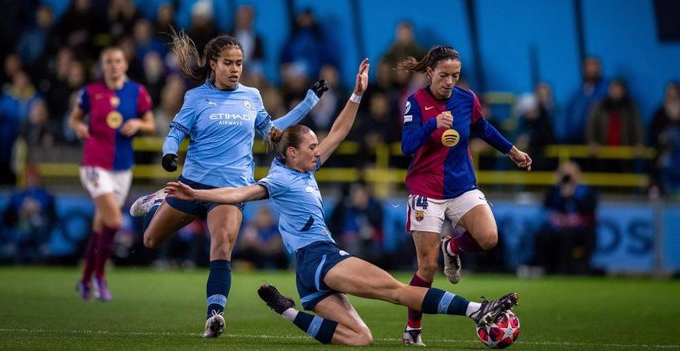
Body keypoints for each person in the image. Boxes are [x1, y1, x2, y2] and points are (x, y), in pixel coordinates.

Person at [165, 59, 518, 346]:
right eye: (311, 146)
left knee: (360, 338)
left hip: (307, 278)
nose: (318, 150)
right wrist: (198, 194)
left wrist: (356, 95)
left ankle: (287, 311)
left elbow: (339, 132)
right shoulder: (280, 179)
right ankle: (477, 309)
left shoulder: (303, 168)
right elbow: (239, 193)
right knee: (397, 291)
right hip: (320, 257)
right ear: (291, 152)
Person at [129, 32, 327, 338]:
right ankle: (160, 199)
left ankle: (214, 315)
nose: (235, 69)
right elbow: (176, 131)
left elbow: (276, 132)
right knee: (151, 241)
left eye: (239, 63)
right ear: (213, 64)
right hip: (191, 185)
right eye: (228, 63)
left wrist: (309, 101)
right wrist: (169, 154)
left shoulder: (252, 97)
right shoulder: (195, 98)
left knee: (221, 246)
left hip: (229, 192)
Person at [397, 45, 531, 345]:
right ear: (430, 72)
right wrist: (433, 124)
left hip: (461, 186)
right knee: (427, 268)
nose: (449, 82)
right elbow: (407, 146)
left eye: (455, 76)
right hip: (426, 190)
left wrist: (512, 151)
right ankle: (413, 331)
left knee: (488, 238)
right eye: (444, 75)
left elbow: (482, 128)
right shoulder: (415, 102)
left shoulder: (466, 98)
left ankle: (453, 247)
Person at [68, 46, 155, 301]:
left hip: (123, 167)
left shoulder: (137, 92)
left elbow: (150, 123)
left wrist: (138, 123)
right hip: (95, 164)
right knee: (114, 221)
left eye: (118, 60)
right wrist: (79, 127)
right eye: (109, 61)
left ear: (125, 65)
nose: (114, 65)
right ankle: (100, 276)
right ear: (102, 66)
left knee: (100, 224)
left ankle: (85, 280)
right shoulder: (91, 92)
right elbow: (75, 118)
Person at [531, 161, 598, 274]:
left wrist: (573, 195)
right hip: (558, 227)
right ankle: (544, 267)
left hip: (580, 229)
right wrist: (558, 188)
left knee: (566, 235)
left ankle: (563, 269)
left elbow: (589, 210)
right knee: (541, 235)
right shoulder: (555, 190)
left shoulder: (585, 191)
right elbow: (546, 205)